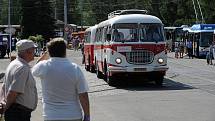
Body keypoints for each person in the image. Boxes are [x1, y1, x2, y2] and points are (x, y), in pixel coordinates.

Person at [32, 37, 90, 121]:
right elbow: (83, 95)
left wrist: (45, 55)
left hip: (51, 115)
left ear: (49, 51)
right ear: (65, 51)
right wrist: (87, 115)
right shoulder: (75, 68)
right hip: (73, 115)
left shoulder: (43, 66)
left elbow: (35, 67)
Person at [0, 39, 38, 121]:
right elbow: (13, 92)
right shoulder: (22, 68)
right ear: (28, 52)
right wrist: (5, 109)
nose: (35, 52)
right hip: (18, 113)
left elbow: (4, 85)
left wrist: (2, 101)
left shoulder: (14, 64)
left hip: (16, 111)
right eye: (33, 50)